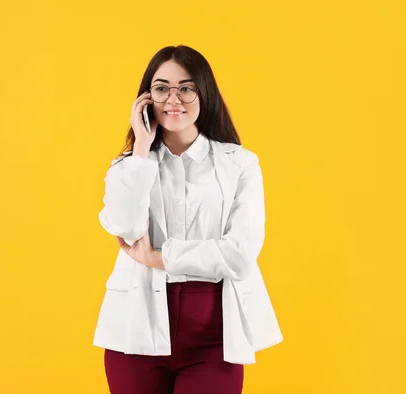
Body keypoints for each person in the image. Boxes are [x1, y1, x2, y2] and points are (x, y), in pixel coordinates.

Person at [92, 45, 283, 394]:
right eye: (162, 88)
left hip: (214, 342)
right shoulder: (127, 167)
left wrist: (158, 257)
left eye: (186, 88)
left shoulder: (240, 165)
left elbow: (239, 255)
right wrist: (141, 152)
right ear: (148, 98)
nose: (173, 99)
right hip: (134, 334)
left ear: (204, 94)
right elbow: (125, 228)